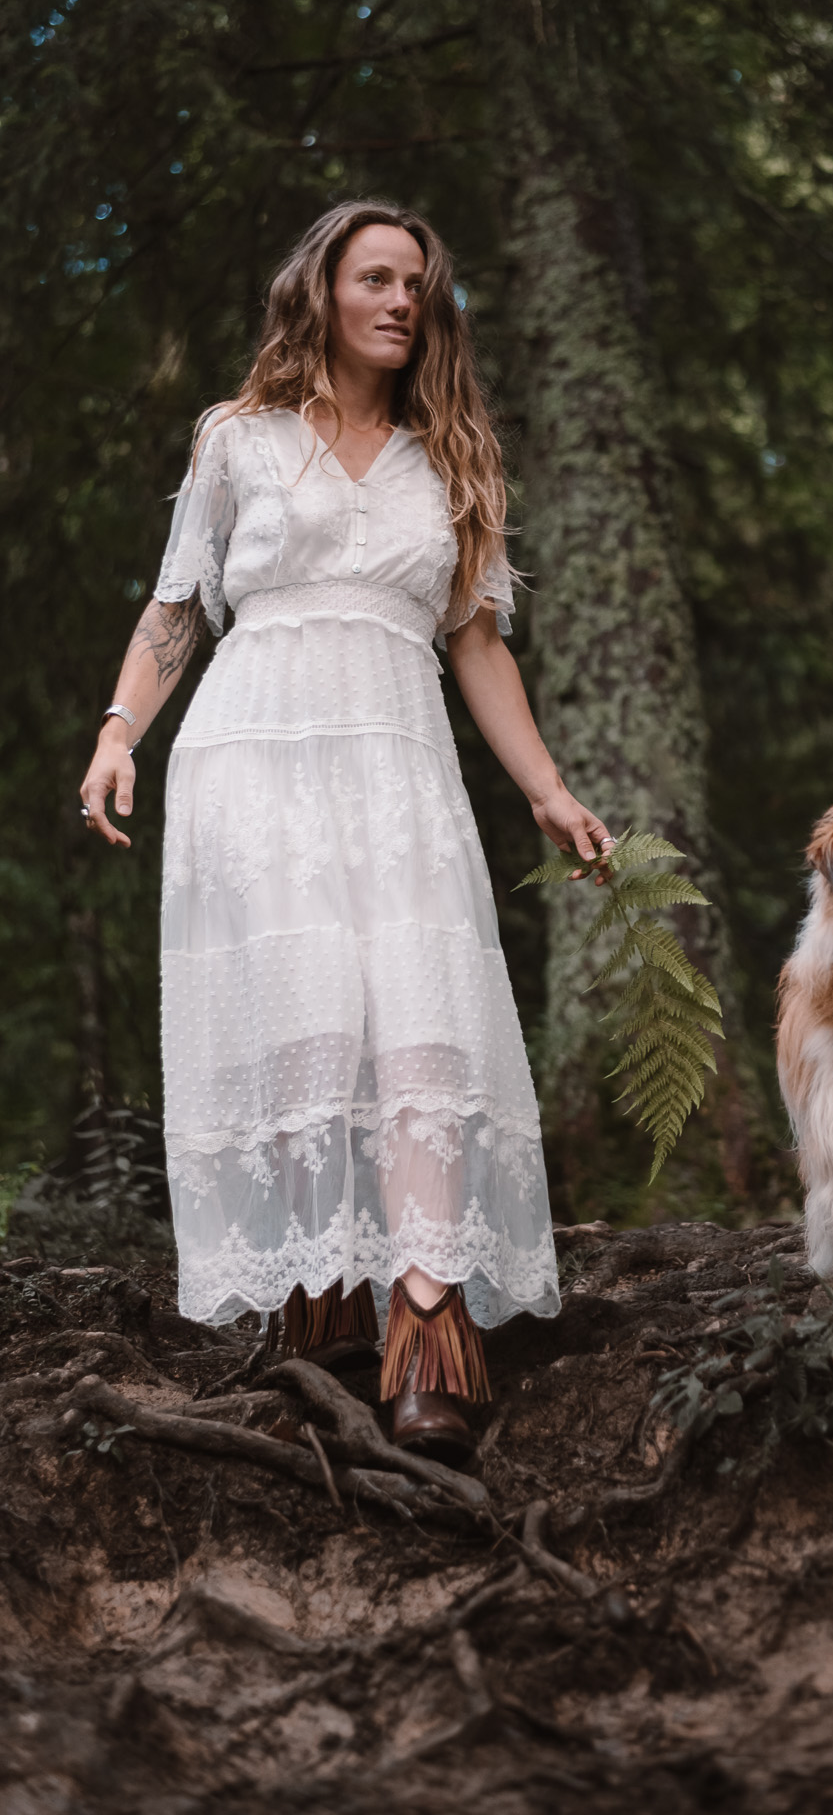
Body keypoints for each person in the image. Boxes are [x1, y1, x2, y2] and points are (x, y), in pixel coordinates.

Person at [78, 201, 612, 1462]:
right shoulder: (238, 441)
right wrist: (117, 733)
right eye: (374, 277)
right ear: (318, 290)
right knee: (311, 1021)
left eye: (416, 285)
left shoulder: (449, 460)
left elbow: (475, 641)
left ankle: (428, 1324)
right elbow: (175, 610)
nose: (398, 301)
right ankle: (318, 1295)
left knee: (421, 1026)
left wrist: (543, 784)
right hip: (252, 755)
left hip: (399, 761)